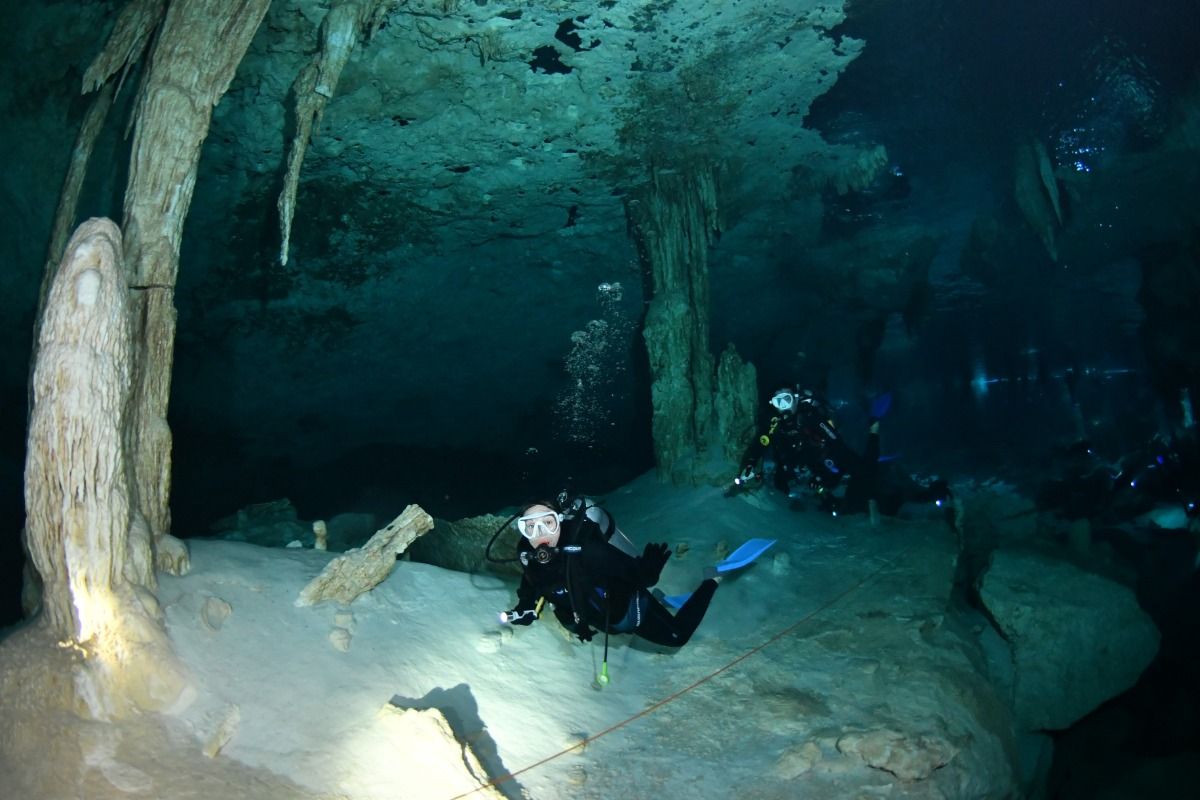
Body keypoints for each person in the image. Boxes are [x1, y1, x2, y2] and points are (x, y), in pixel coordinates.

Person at [499, 497, 718, 648]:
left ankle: (711, 580)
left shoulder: (589, 552)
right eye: (530, 527)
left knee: (676, 637)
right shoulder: (529, 558)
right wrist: (526, 606)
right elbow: (531, 582)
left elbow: (638, 575)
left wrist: (649, 570)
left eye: (548, 523)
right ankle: (660, 601)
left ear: (560, 521)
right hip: (599, 622)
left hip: (630, 612)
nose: (540, 534)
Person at [736, 386, 949, 517]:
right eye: (777, 402)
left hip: (826, 454)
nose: (783, 408)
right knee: (802, 479)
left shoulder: (812, 418)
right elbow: (761, 443)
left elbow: (838, 446)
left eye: (787, 400)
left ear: (796, 400)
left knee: (865, 470)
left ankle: (874, 426)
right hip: (805, 460)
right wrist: (749, 464)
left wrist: (842, 464)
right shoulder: (775, 422)